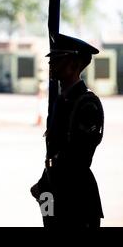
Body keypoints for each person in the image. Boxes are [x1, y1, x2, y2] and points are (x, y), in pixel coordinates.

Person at [31, 33, 104, 228]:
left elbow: (78, 157)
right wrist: (43, 185)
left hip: (75, 195)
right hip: (52, 189)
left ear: (73, 65)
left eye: (57, 60)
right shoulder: (62, 101)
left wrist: (49, 185)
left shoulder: (87, 104)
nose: (50, 64)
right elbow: (53, 151)